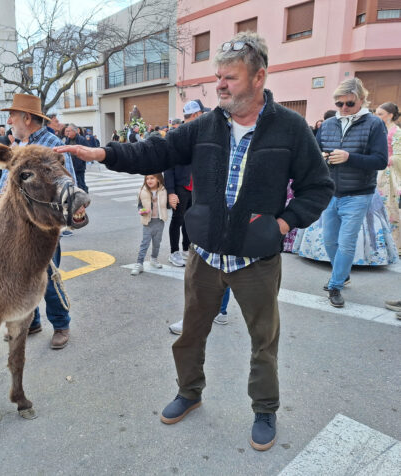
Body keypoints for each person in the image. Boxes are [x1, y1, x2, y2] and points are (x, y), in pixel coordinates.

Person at [55, 32, 334, 451]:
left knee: (264, 342)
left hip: (256, 261)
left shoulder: (290, 129)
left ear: (259, 78)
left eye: (230, 78)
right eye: (217, 77)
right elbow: (156, 152)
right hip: (203, 255)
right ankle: (189, 391)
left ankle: (265, 408)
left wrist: (282, 225)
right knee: (190, 334)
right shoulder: (203, 126)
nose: (220, 85)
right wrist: (107, 155)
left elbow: (318, 187)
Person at [0, 93, 77, 350]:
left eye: (13, 115)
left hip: (42, 230)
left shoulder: (51, 147)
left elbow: (68, 186)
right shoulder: (19, 146)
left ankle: (61, 324)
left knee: (48, 279)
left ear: (27, 118)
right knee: (24, 280)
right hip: (17, 230)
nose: (9, 120)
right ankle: (32, 321)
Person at [318, 78, 388, 307]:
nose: (344, 108)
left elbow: (380, 160)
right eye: (339, 104)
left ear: (361, 100)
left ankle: (335, 285)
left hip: (358, 194)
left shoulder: (374, 124)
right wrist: (321, 158)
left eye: (349, 103)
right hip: (330, 192)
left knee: (346, 242)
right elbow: (315, 151)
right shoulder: (328, 124)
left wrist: (350, 158)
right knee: (329, 240)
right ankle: (343, 273)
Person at [165, 100, 206, 268]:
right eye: (202, 115)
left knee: (189, 220)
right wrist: (171, 191)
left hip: (193, 186)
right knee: (177, 219)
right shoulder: (177, 134)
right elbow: (167, 166)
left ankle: (186, 249)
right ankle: (174, 252)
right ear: (196, 115)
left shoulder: (198, 134)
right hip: (180, 186)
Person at [375, 102, 401, 254]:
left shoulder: (396, 132)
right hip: (377, 172)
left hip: (389, 175)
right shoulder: (381, 130)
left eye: (380, 114)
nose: (377, 117)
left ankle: (394, 245)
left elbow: (399, 155)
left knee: (390, 208)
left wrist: (385, 160)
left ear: (390, 115)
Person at [131, 174, 168, 276]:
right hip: (148, 222)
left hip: (160, 221)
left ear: (158, 179)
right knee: (144, 243)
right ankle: (139, 263)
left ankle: (153, 259)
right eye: (147, 178)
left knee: (157, 243)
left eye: (152, 178)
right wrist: (142, 211)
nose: (149, 180)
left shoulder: (164, 190)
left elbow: (167, 205)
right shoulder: (142, 191)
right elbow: (139, 206)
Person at [64, 124, 89, 193]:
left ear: (74, 131)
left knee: (81, 184)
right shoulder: (67, 140)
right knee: (74, 185)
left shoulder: (81, 140)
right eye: (67, 131)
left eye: (69, 131)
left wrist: (81, 161)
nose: (67, 133)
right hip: (70, 166)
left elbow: (87, 151)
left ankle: (85, 195)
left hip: (79, 167)